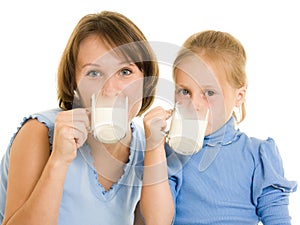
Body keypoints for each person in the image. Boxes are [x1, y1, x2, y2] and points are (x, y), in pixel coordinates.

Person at [0, 11, 159, 225]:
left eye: (125, 72)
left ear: (146, 80)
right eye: (94, 73)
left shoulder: (146, 148)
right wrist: (59, 160)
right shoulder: (38, 132)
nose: (110, 89)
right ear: (74, 84)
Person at [141, 30, 297, 224]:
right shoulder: (169, 154)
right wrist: (154, 147)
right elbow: (156, 221)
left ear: (239, 96)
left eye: (209, 92)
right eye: (185, 91)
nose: (194, 104)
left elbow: (278, 219)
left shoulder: (258, 154)